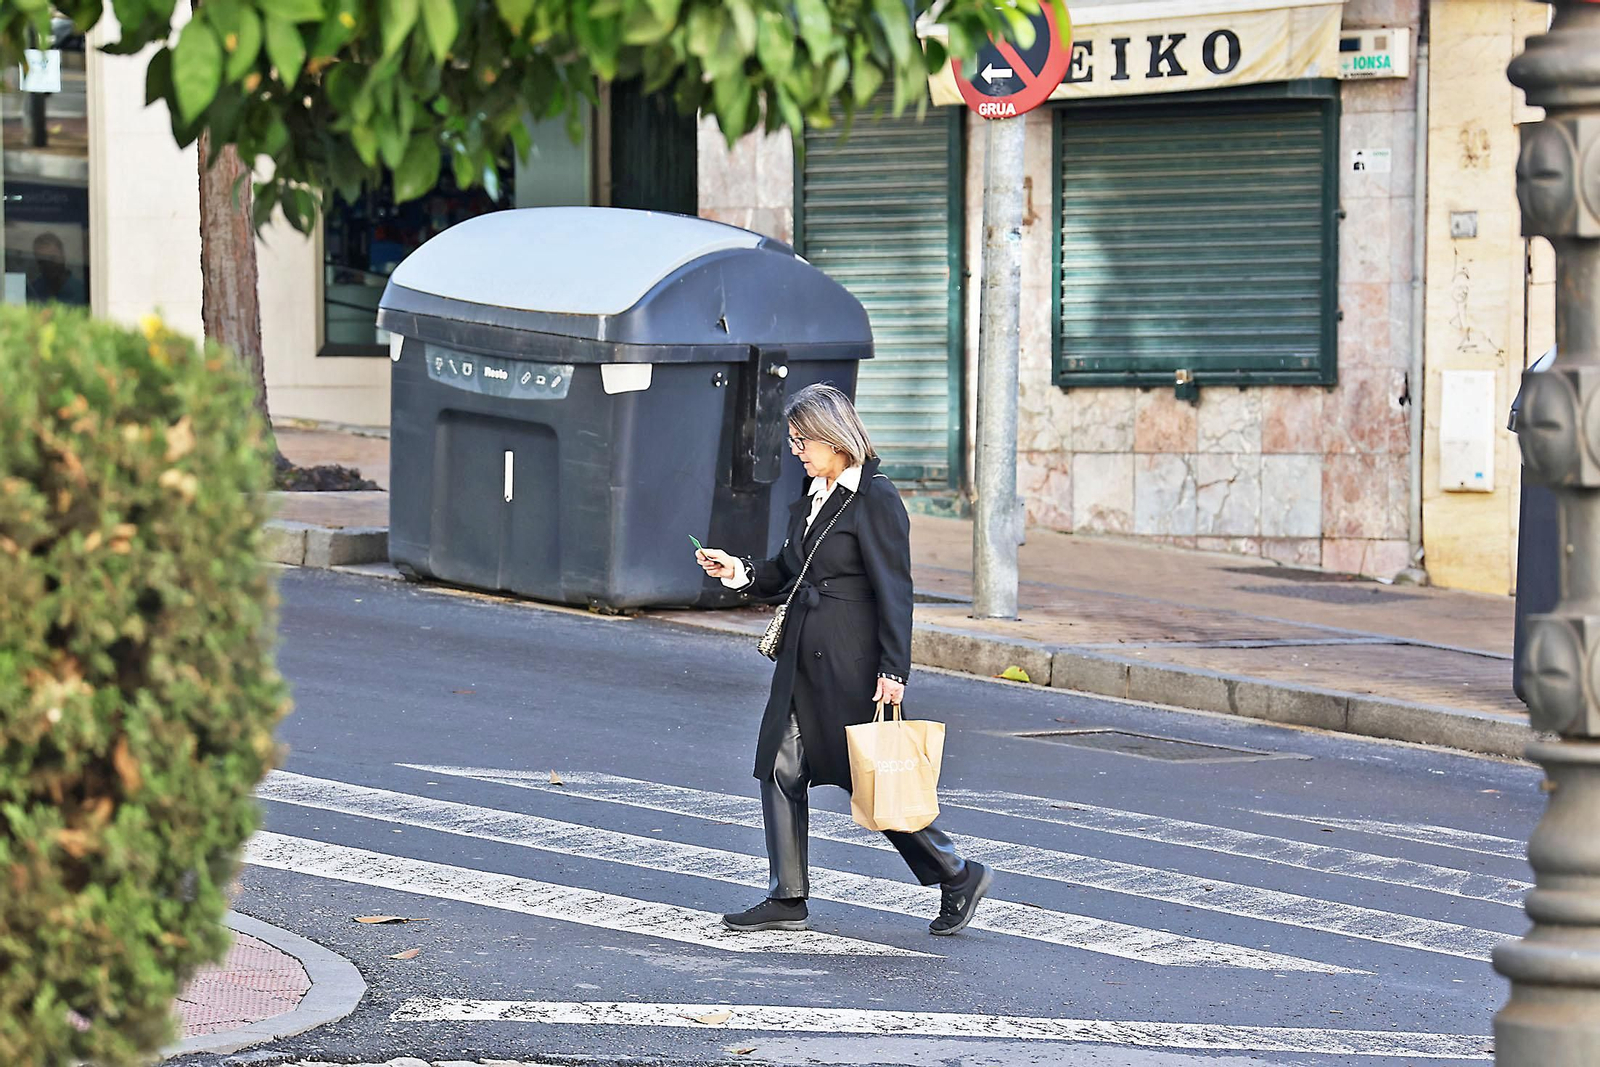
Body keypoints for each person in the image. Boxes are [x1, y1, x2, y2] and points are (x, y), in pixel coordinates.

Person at [696, 383, 993, 936]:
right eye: (793, 441)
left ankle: (956, 872)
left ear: (835, 438)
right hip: (803, 658)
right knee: (779, 768)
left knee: (873, 781)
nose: (797, 451)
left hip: (851, 663)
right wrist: (736, 569)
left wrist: (893, 670)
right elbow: (788, 569)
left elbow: (895, 592)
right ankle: (788, 895)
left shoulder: (875, 498)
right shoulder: (812, 495)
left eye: (803, 440)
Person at [25, 232, 86, 305]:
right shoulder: (34, 291)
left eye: (52, 258)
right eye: (43, 261)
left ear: (63, 256)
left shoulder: (83, 291)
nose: (49, 265)